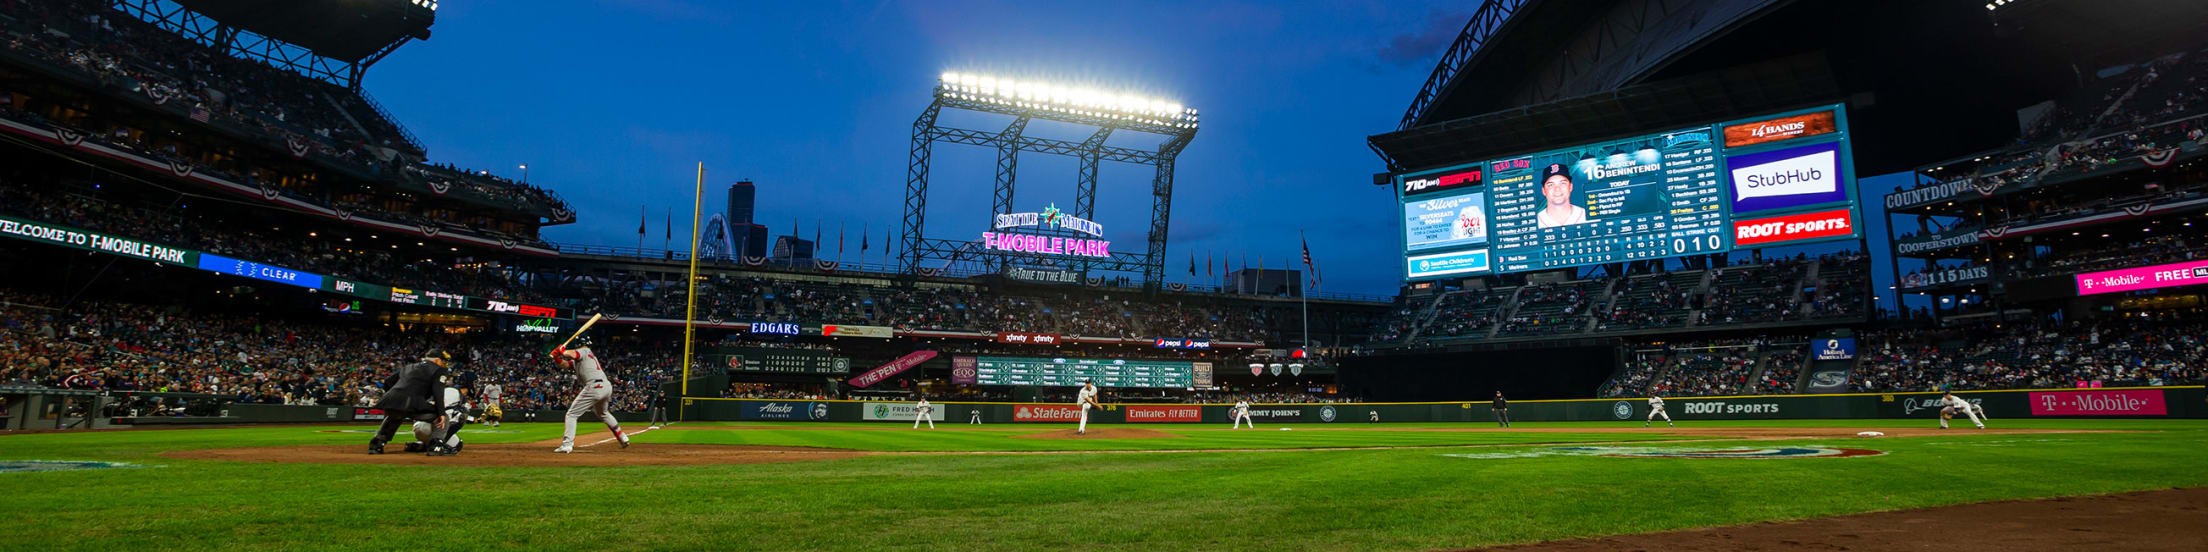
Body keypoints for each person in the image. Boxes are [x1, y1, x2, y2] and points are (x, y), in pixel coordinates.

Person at [551, 337, 630, 453]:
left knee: (571, 414)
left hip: (595, 386)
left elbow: (572, 354)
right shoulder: (586, 356)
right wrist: (557, 357)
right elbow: (566, 365)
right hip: (606, 386)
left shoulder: (584, 351)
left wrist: (561, 350)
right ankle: (622, 436)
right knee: (603, 413)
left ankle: (567, 444)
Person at [367, 351, 453, 455]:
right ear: (437, 360)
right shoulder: (439, 370)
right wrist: (441, 413)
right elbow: (438, 392)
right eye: (442, 361)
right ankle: (435, 446)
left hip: (392, 399)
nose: (443, 363)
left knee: (395, 415)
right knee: (443, 419)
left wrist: (396, 396)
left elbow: (388, 382)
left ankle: (376, 444)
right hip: (413, 402)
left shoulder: (409, 367)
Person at [404, 378, 471, 455]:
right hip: (429, 426)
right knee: (461, 417)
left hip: (421, 426)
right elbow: (438, 405)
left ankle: (423, 445)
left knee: (456, 443)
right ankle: (435, 445)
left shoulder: (435, 393)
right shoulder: (454, 392)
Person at [1534, 163, 1589, 229]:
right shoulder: (1534, 223)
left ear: (1570, 187)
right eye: (1551, 185)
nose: (1557, 189)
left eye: (1562, 183)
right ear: (1543, 191)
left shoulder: (1587, 216)